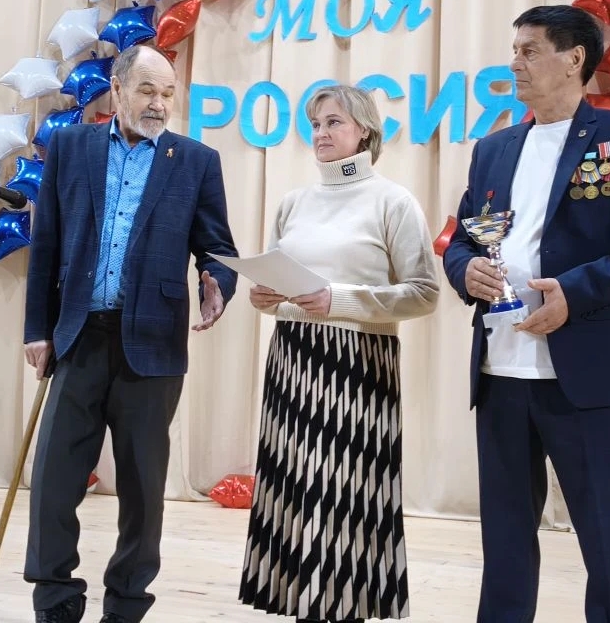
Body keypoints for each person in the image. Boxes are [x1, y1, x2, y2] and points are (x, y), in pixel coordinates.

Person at [443, 4, 610, 621]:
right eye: (514, 50)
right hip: (500, 372)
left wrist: (574, 292)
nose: (515, 63)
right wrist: (464, 271)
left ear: (575, 58)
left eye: (529, 51)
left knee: (609, 539)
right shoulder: (493, 148)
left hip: (589, 374)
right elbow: (466, 239)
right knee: (503, 543)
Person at [22, 44, 239, 623]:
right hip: (78, 338)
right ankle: (55, 601)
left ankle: (126, 605)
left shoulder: (196, 161)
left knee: (143, 490)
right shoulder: (70, 147)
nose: (159, 104)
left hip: (153, 345)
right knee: (53, 481)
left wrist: (217, 282)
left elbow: (217, 247)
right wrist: (38, 328)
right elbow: (46, 245)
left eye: (168, 93)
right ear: (117, 90)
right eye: (147, 90)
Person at [239, 85, 440, 622]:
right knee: (295, 491)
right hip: (292, 359)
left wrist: (340, 299)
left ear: (364, 131)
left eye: (333, 122)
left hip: (358, 364)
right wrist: (267, 298)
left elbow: (425, 293)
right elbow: (282, 284)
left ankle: (346, 607)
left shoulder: (393, 201)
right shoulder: (293, 203)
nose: (321, 133)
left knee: (347, 497)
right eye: (316, 124)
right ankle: (301, 605)